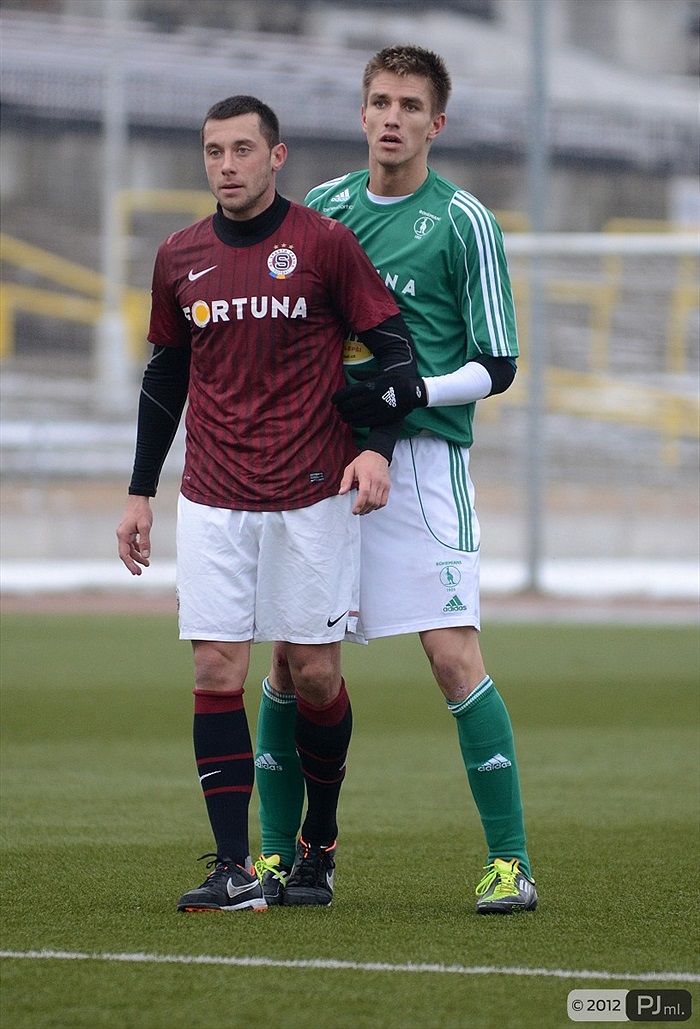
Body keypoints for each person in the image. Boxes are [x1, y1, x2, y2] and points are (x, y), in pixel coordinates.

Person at [116, 94, 418, 911]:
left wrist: (374, 448)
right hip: (213, 497)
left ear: (276, 157)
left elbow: (396, 356)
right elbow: (165, 379)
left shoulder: (323, 244)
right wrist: (140, 491)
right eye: (214, 151)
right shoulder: (179, 256)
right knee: (216, 665)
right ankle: (232, 866)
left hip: (311, 497)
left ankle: (317, 843)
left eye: (243, 150)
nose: (226, 165)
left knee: (315, 675)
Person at [254, 46, 538, 914]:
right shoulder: (325, 209)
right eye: (379, 101)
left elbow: (499, 362)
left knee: (453, 658)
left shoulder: (463, 221)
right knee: (294, 662)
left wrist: (420, 388)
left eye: (410, 105)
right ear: (361, 113)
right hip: (322, 460)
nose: (391, 117)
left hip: (421, 465)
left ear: (434, 123)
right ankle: (278, 857)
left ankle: (510, 863)